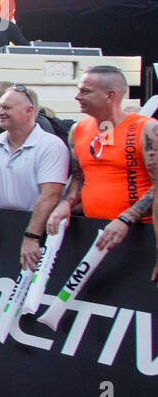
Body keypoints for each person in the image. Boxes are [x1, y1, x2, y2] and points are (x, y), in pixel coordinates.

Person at [46, 66, 156, 255]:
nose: (77, 96)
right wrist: (67, 203)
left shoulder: (146, 129)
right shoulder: (78, 130)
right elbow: (79, 178)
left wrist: (126, 219)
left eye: (85, 91)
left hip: (139, 232)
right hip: (94, 231)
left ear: (110, 95)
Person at [0, 84, 69, 270]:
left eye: (6, 108)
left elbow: (50, 195)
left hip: (36, 233)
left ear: (29, 110)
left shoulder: (51, 145)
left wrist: (32, 236)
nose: (0, 112)